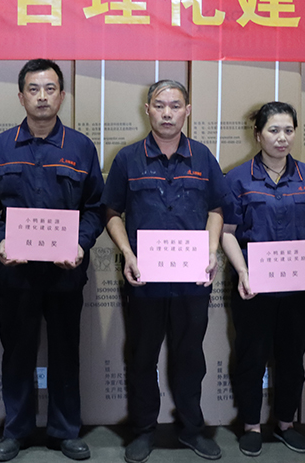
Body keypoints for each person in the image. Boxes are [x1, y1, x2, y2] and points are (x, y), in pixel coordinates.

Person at [0, 58, 105, 462]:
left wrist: (81, 244)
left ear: (62, 96)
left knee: (66, 351)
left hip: (66, 272)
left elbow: (95, 207)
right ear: (21, 96)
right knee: (17, 352)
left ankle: (66, 431)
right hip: (16, 272)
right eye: (34, 89)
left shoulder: (81, 148)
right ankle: (16, 430)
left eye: (50, 89)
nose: (42, 97)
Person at [102, 80, 226, 463]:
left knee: (190, 357)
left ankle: (191, 429)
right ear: (147, 109)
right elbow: (111, 212)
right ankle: (143, 430)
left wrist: (211, 251)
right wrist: (128, 253)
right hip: (145, 279)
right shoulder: (127, 159)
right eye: (160, 105)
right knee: (142, 357)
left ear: (187, 110)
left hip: (192, 280)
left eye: (175, 106)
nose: (167, 113)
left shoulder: (203, 157)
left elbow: (216, 209)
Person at [220, 102, 305, 457]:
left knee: (292, 360)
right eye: (273, 130)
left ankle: (286, 423)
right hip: (253, 288)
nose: (282, 138)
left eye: (288, 130)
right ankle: (251, 425)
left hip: (298, 289)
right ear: (258, 135)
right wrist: (243, 272)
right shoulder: (238, 179)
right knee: (251, 358)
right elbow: (226, 232)